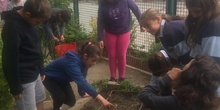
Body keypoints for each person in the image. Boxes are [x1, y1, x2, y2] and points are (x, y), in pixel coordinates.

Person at [1, 0, 51, 110]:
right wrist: (15, 87)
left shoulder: (28, 21)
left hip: (35, 72)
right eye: (38, 22)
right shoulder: (12, 28)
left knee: (40, 99)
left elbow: (36, 46)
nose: (39, 24)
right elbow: (9, 59)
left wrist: (41, 68)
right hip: (24, 78)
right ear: (28, 14)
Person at [43, 42, 115, 110]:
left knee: (71, 102)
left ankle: (56, 98)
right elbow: (82, 82)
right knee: (61, 97)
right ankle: (56, 106)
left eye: (96, 61)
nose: (94, 63)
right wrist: (102, 99)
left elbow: (82, 78)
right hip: (49, 78)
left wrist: (82, 93)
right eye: (93, 60)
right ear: (85, 56)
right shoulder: (72, 63)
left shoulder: (84, 63)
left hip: (62, 80)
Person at [138, 55, 220, 110]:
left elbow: (143, 95)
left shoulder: (180, 103)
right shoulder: (204, 99)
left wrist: (166, 79)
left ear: (189, 74)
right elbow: (166, 105)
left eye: (189, 63)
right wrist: (166, 86)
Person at [97, 0, 142, 82]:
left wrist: (142, 23)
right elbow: (100, 20)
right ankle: (113, 77)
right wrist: (100, 38)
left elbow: (135, 9)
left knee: (121, 55)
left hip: (124, 32)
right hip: (109, 32)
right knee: (112, 55)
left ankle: (121, 77)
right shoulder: (103, 4)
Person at [184, 0, 220, 96]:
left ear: (209, 7)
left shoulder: (213, 27)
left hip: (211, 90)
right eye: (190, 11)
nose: (193, 15)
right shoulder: (205, 23)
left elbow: (210, 64)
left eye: (197, 11)